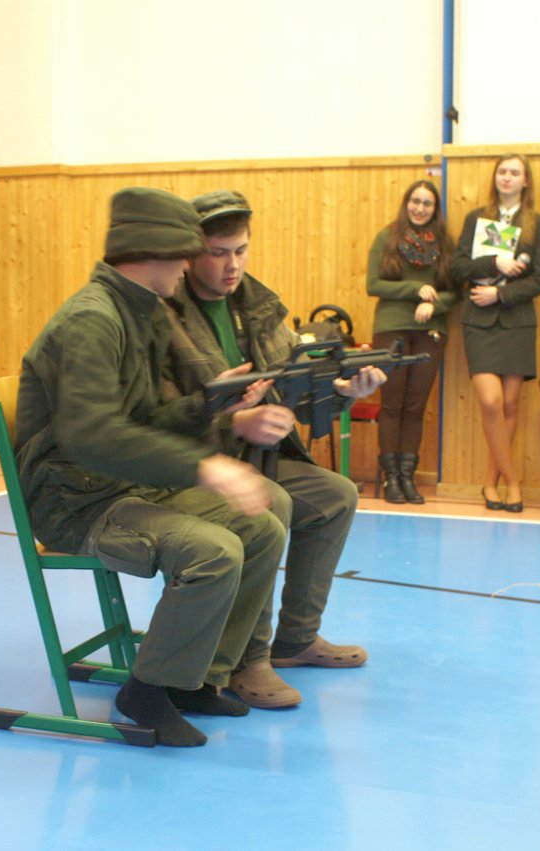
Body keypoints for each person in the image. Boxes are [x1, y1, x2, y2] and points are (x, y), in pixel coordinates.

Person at [15, 187, 288, 747]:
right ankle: (146, 691)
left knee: (261, 528)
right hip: (75, 502)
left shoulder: (138, 313)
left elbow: (139, 421)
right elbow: (93, 436)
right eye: (185, 255)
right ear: (154, 253)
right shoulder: (93, 321)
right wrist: (204, 466)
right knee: (214, 551)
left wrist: (209, 404)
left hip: (118, 485)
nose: (190, 267)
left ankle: (196, 677)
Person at [159, 190, 384, 710]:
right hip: (195, 465)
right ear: (190, 254)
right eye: (218, 253)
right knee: (269, 502)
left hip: (255, 457)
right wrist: (235, 420)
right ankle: (248, 658)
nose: (232, 265)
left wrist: (343, 390)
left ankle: (296, 639)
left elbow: (295, 388)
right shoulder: (166, 315)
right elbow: (161, 413)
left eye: (241, 250)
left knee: (335, 496)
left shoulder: (255, 306)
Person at [450, 153, 540, 512]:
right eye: (502, 172)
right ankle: (514, 482)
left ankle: (491, 484)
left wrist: (501, 294)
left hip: (517, 323)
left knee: (509, 405)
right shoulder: (476, 218)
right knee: (491, 402)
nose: (507, 178)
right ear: (495, 178)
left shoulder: (538, 224)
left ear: (526, 180)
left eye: (514, 173)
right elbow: (458, 267)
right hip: (479, 322)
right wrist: (494, 263)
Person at [366, 179, 458, 503]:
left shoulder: (445, 244)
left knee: (415, 407)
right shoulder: (387, 237)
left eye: (427, 203)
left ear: (435, 208)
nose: (420, 208)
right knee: (392, 405)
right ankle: (391, 479)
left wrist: (435, 305)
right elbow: (373, 285)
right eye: (415, 201)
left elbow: (455, 291)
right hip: (391, 329)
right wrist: (414, 289)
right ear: (406, 204)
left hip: (431, 332)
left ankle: (408, 478)